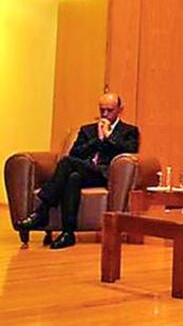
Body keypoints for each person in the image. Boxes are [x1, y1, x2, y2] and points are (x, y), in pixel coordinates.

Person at [16, 92, 139, 249]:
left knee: (66, 162)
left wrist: (109, 137)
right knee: (73, 177)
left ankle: (42, 210)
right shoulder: (87, 130)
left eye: (109, 110)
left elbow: (129, 150)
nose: (105, 114)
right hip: (84, 171)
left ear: (120, 110)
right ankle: (68, 233)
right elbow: (75, 153)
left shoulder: (129, 131)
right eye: (102, 110)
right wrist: (97, 140)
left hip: (104, 174)